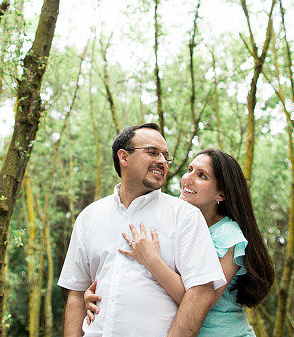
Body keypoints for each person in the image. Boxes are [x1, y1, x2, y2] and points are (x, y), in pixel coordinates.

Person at [58, 123, 226, 336]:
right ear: (124, 157)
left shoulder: (185, 216)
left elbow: (201, 292)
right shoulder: (89, 217)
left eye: (166, 156)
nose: (162, 161)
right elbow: (76, 292)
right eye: (152, 152)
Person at [85, 148, 275, 336]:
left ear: (221, 195)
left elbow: (200, 301)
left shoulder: (228, 237)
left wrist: (152, 261)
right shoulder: (172, 223)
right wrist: (100, 296)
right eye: (190, 169)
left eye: (202, 175)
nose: (188, 178)